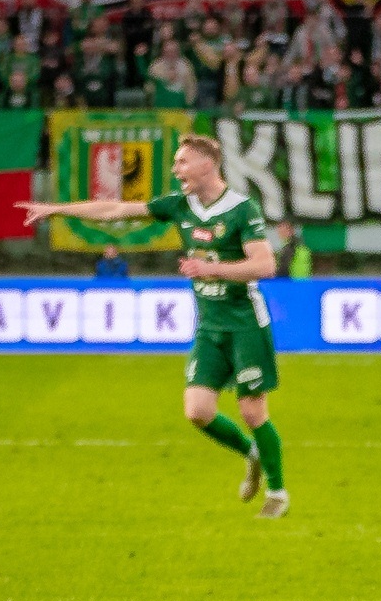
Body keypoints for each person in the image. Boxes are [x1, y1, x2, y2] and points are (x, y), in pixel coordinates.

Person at [15, 134, 289, 519]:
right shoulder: (180, 205)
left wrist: (211, 269)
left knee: (252, 412)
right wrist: (58, 209)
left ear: (207, 164)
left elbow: (265, 265)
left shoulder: (242, 209)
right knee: (197, 411)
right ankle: (252, 453)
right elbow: (115, 209)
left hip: (245, 323)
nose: (176, 170)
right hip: (210, 325)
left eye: (182, 162)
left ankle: (277, 494)